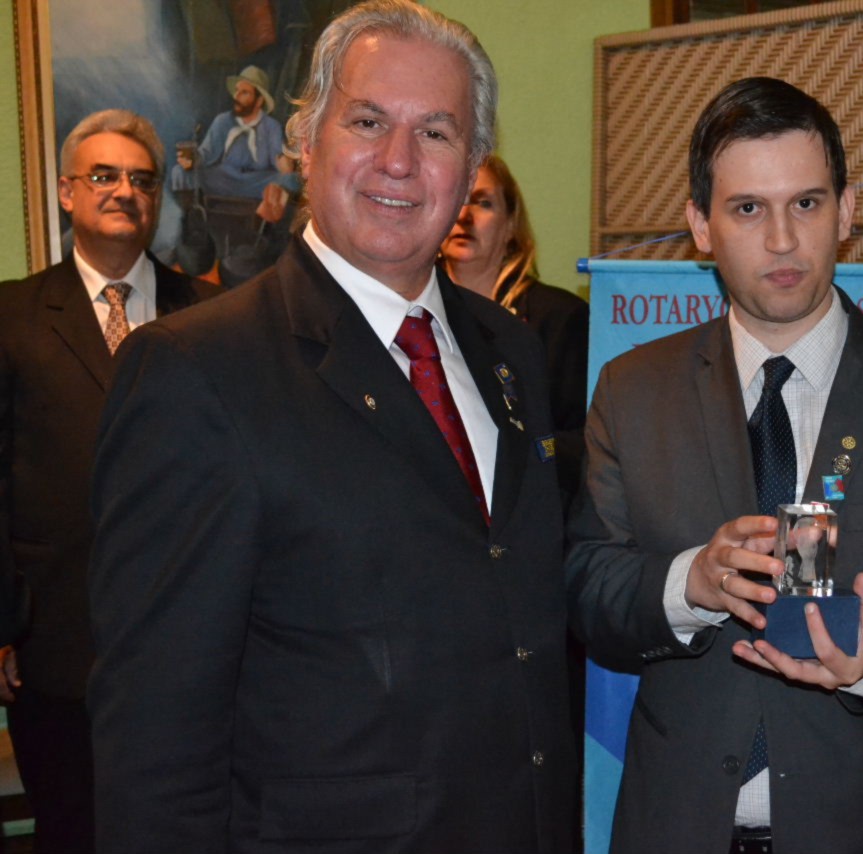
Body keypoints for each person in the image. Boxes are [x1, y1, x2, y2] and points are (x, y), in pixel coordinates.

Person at [87, 3, 575, 852]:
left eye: (436, 133)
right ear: (306, 143)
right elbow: (155, 735)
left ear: (470, 170)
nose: (399, 161)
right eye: (368, 121)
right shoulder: (196, 371)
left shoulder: (514, 352)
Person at [566, 77, 863, 854]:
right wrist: (689, 583)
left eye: (807, 204)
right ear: (701, 226)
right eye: (748, 209)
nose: (783, 240)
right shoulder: (632, 392)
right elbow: (589, 590)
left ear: (847, 211)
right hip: (677, 824)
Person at [0, 108, 216, 854]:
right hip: (55, 645)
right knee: (72, 832)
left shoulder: (212, 315)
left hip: (195, 640)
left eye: (141, 179)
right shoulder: (12, 315)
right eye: (103, 175)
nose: (125, 191)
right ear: (67, 192)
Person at [440, 153, 589, 510]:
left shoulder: (560, 317)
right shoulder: (410, 316)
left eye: (483, 203)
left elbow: (582, 442)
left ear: (510, 227)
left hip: (531, 505)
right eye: (456, 199)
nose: (464, 216)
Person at [174, 65, 290, 200]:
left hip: (256, 183)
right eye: (237, 91)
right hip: (223, 180)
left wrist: (285, 164)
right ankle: (189, 212)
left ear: (259, 101)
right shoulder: (223, 121)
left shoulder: (271, 126)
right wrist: (192, 159)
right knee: (179, 172)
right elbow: (206, 153)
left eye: (244, 92)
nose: (236, 96)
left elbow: (278, 157)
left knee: (290, 180)